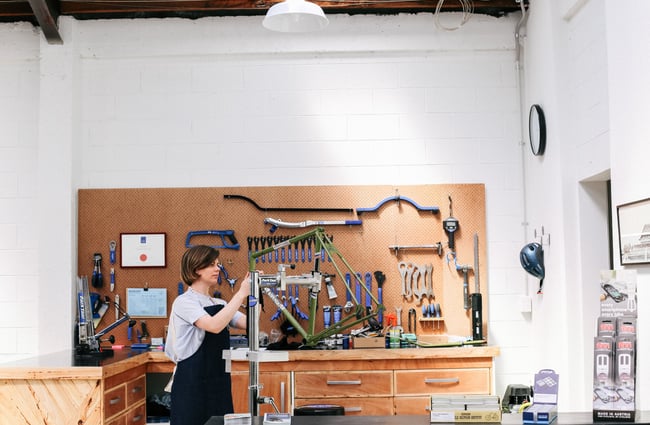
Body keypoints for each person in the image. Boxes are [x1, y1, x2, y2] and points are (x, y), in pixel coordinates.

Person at [165, 245, 251, 425]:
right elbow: (214, 325)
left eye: (218, 264)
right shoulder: (184, 302)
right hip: (192, 383)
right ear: (196, 269)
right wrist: (241, 293)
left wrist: (255, 294)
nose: (217, 268)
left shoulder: (219, 302)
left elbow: (250, 323)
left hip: (219, 382)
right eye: (211, 265)